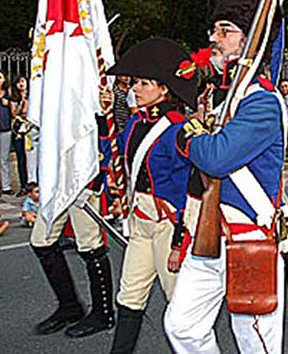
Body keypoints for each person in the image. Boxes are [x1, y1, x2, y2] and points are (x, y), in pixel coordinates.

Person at [165, 0, 288, 354]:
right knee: (182, 327)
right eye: (215, 30)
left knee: (254, 343)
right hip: (208, 236)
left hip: (248, 236)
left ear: (250, 39)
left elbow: (215, 157)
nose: (213, 39)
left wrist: (190, 136)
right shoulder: (219, 99)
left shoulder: (262, 102)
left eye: (225, 31)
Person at [103, 38, 197, 354]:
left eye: (144, 83)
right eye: (137, 82)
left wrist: (179, 242)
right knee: (128, 296)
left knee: (178, 306)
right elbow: (116, 159)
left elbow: (191, 190)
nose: (136, 88)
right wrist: (103, 123)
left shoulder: (179, 129)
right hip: (140, 223)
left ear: (164, 89)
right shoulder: (135, 123)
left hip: (168, 226)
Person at [30, 116, 118, 339]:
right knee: (41, 240)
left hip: (83, 176)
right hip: (57, 176)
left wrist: (96, 180)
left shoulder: (88, 86)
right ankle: (69, 306)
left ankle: (103, 313)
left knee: (90, 245)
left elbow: (105, 133)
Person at [10, 75, 33, 195]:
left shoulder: (34, 95)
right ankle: (23, 184)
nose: (21, 84)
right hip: (19, 129)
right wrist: (21, 103)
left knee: (33, 158)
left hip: (31, 128)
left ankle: (34, 183)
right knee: (21, 158)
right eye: (18, 82)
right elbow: (14, 113)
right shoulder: (14, 98)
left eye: (23, 81)